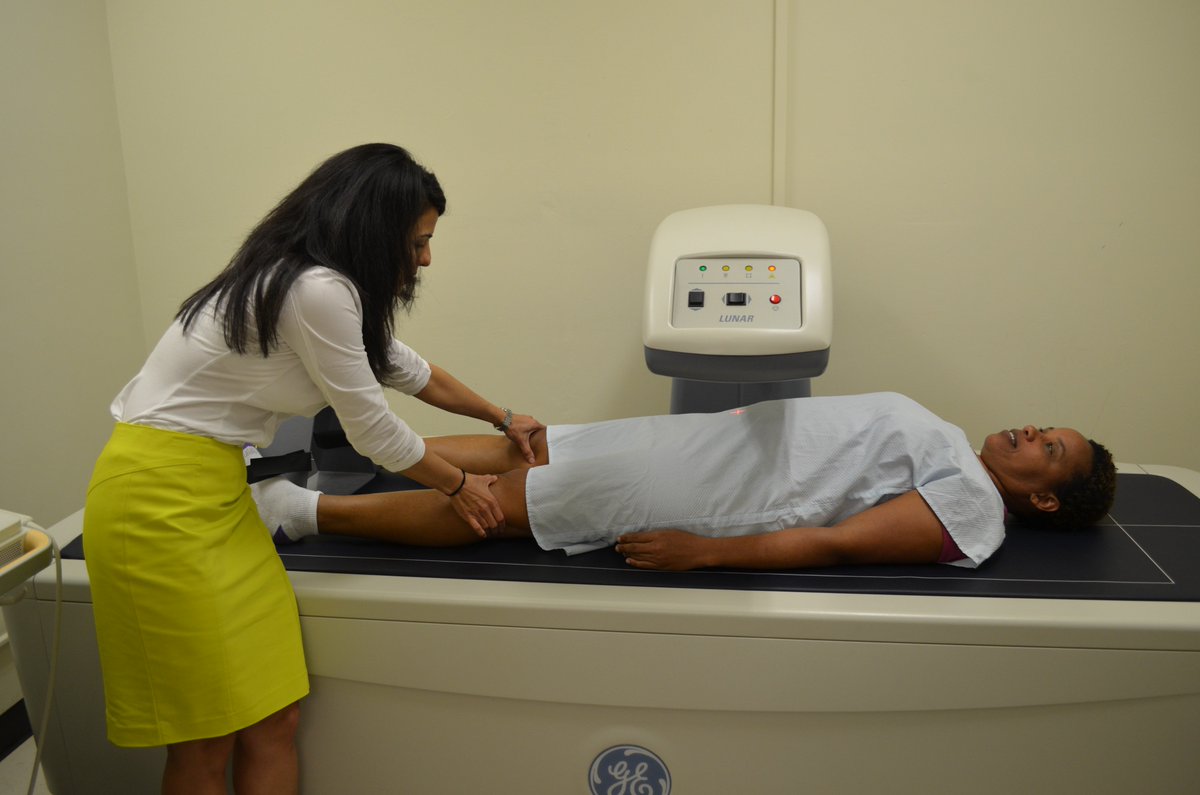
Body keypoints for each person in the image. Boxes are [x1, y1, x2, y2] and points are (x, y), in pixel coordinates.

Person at [82, 143, 543, 794]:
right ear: (374, 232)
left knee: (274, 716)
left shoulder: (321, 287)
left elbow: (412, 372)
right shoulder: (313, 288)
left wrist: (504, 416)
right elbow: (374, 431)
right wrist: (461, 485)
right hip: (158, 502)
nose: (426, 258)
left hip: (218, 495)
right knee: (206, 736)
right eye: (417, 243)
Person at [250, 392, 1116, 572]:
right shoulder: (956, 441)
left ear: (1042, 495)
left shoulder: (971, 503)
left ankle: (299, 511)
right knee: (534, 451)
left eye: (1051, 448)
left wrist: (713, 553)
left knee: (514, 507)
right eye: (1048, 424)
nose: (1036, 428)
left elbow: (838, 539)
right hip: (712, 444)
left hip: (719, 495)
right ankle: (356, 450)